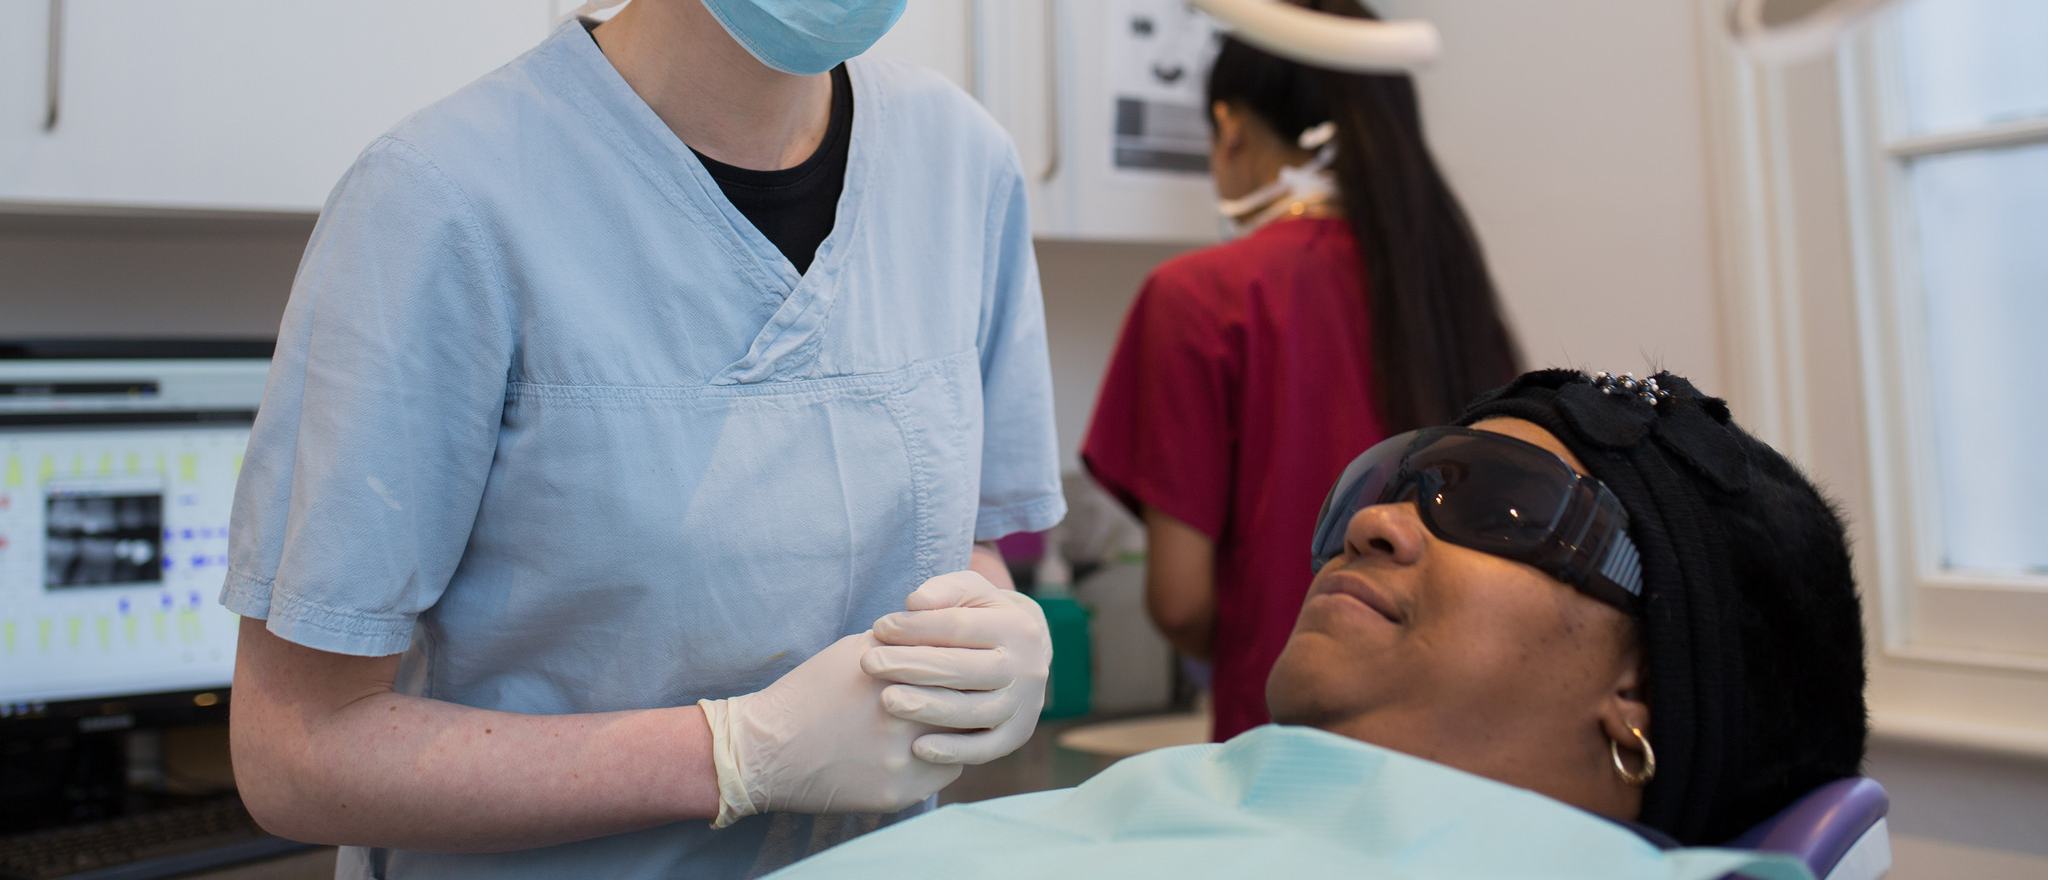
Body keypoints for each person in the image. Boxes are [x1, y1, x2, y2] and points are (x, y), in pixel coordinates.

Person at [222, 0, 1064, 879]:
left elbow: (962, 541)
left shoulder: (960, 166)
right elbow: (295, 748)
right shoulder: (444, 206)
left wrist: (992, 630)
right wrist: (735, 751)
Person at [771, 369, 1870, 879]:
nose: (1381, 523)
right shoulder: (1175, 810)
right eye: (1396, 485)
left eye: (1496, 506)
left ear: (1644, 690)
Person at [1081, 0, 1520, 740]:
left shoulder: (1197, 296)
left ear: (1230, 127)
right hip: (1461, 750)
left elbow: (1180, 602)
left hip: (1288, 748)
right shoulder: (1450, 291)